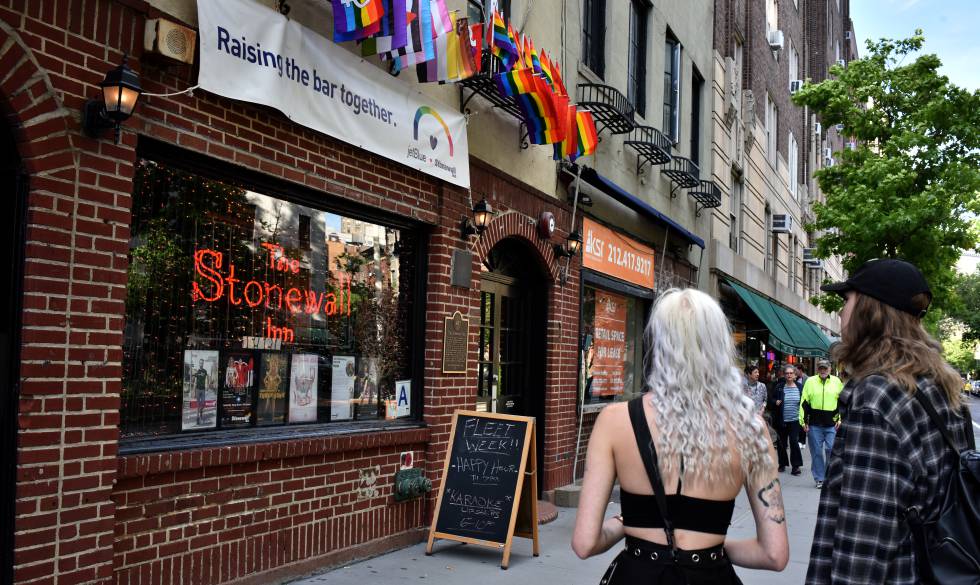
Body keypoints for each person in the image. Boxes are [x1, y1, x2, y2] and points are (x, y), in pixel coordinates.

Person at [572, 289, 788, 583]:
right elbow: (774, 555)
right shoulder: (750, 428)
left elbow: (585, 543)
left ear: (658, 344)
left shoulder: (614, 420)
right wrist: (711, 547)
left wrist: (626, 521)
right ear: (719, 346)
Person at [806, 259, 975, 584]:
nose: (840, 312)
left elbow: (861, 551)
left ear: (869, 311)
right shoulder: (941, 386)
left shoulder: (877, 398)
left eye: (847, 300)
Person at [799, 359, 844, 489]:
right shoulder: (810, 381)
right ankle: (820, 478)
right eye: (821, 368)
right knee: (817, 452)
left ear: (830, 369)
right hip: (814, 424)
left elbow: (842, 402)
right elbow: (804, 401)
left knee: (831, 450)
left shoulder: (837, 382)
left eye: (825, 368)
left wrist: (840, 419)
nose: (823, 370)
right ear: (817, 369)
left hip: (832, 424)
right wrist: (803, 421)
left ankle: (829, 476)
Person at [771, 364, 804, 475]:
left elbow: (804, 402)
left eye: (791, 373)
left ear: (795, 375)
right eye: (787, 373)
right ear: (784, 375)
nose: (789, 375)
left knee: (794, 442)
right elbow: (771, 399)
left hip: (795, 420)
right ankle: (782, 464)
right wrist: (775, 402)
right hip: (782, 420)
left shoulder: (800, 387)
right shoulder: (779, 387)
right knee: (781, 443)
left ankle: (796, 466)